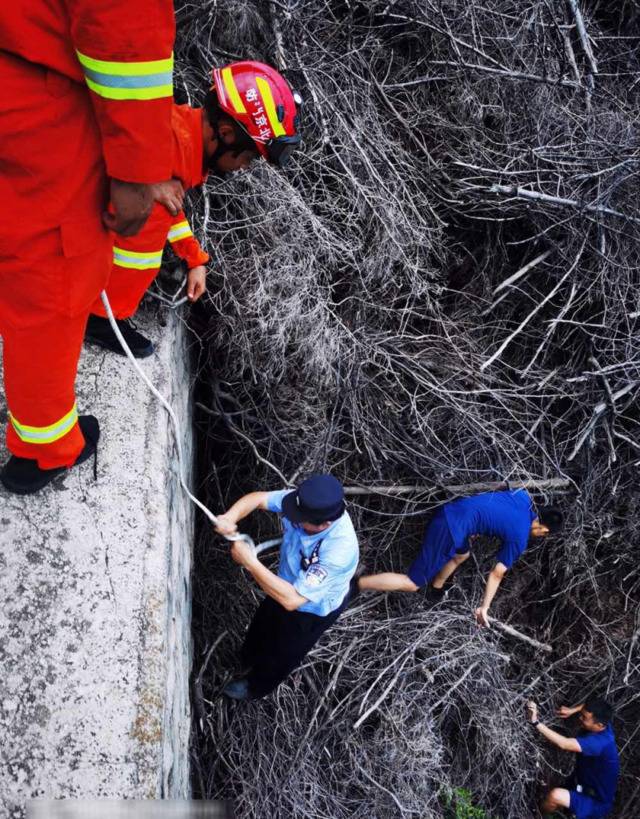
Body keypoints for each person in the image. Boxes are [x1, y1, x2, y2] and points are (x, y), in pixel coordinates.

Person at [0, 0, 182, 495]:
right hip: (38, 98)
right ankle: (45, 450)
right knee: (53, 278)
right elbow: (127, 42)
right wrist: (136, 175)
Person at [84, 61, 302, 358]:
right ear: (225, 134)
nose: (244, 167)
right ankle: (97, 318)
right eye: (249, 157)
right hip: (55, 238)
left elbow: (172, 208)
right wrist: (142, 180)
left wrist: (194, 258)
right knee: (145, 227)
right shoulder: (170, 141)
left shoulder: (185, 143)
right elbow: (88, 144)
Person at [214, 474, 358, 700]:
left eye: (300, 519)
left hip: (311, 611)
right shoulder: (304, 503)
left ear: (325, 523)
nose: (293, 518)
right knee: (261, 627)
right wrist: (230, 516)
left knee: (283, 653)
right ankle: (246, 658)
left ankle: (256, 687)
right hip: (284, 585)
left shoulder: (338, 550)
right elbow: (259, 499)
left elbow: (293, 600)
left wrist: (250, 562)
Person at [358, 489, 563, 625]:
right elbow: (497, 573)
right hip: (450, 528)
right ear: (543, 529)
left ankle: (435, 590)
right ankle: (355, 585)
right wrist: (485, 607)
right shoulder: (520, 537)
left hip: (452, 512)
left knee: (461, 554)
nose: (539, 536)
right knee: (412, 583)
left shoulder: (523, 497)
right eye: (543, 535)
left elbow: (492, 508)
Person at [527, 697, 620, 818]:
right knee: (547, 787)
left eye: (584, 718)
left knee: (555, 796)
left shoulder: (600, 742)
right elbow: (587, 707)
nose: (580, 718)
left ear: (599, 725)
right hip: (580, 783)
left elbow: (564, 744)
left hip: (595, 801)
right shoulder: (603, 721)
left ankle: (535, 816)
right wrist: (572, 710)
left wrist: (535, 722)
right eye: (581, 715)